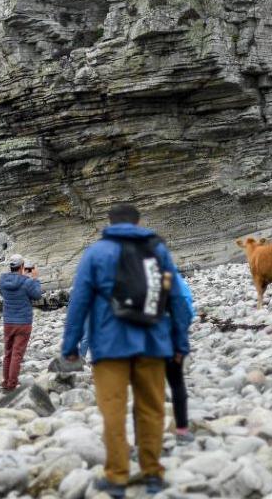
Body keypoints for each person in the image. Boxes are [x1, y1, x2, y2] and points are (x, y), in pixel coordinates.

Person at [61, 204, 191, 498]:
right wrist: (180, 341)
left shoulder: (95, 253)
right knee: (151, 409)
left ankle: (118, 477)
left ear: (109, 222)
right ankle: (152, 473)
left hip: (109, 346)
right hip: (154, 343)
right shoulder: (157, 250)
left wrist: (70, 347)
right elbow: (176, 298)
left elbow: (79, 301)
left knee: (113, 412)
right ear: (137, 222)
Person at [0, 254, 43, 391]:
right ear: (23, 267)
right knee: (17, 354)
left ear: (11, 267)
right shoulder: (27, 282)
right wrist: (34, 278)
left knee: (8, 353)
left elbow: (2, 294)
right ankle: (12, 384)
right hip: (23, 323)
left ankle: (6, 382)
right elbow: (37, 295)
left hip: (8, 322)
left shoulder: (2, 281)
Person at [169, 271, 196, 444]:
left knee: (144, 392)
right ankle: (182, 430)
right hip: (170, 339)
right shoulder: (168, 275)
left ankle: (142, 442)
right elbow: (184, 305)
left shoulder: (132, 276)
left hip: (146, 342)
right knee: (177, 383)